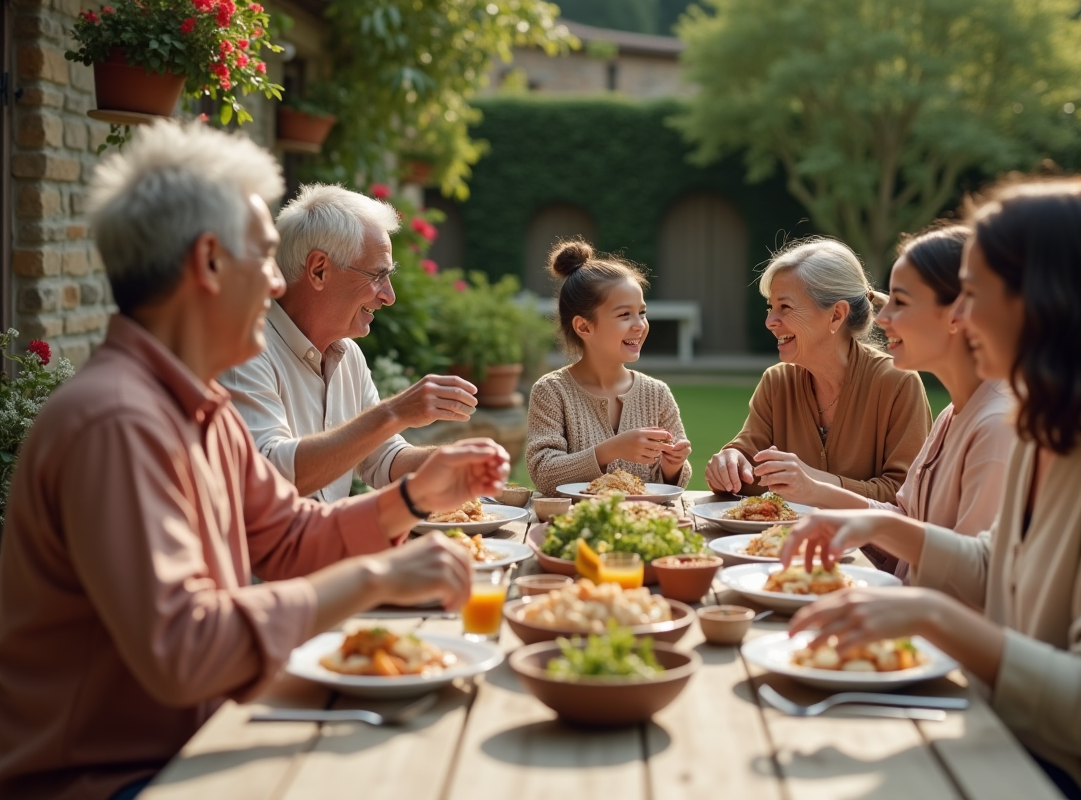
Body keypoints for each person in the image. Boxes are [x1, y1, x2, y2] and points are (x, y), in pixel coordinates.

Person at [0, 121, 510, 800]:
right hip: (116, 778)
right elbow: (184, 649)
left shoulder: (194, 405)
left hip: (201, 737)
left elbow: (290, 538)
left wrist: (412, 500)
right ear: (210, 263)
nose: (276, 283)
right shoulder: (119, 421)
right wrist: (377, 574)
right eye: (266, 257)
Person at [783, 178, 1081, 800]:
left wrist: (928, 611)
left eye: (974, 294)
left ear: (1042, 300)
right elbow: (997, 563)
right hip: (1008, 734)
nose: (963, 316)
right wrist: (879, 524)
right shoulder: (1050, 426)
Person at [763, 225, 1014, 577]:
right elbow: (905, 519)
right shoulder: (953, 415)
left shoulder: (996, 427)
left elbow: (973, 579)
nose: (880, 317)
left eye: (902, 301)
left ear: (958, 313)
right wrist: (820, 495)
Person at [219, 183, 480, 501]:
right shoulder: (243, 351)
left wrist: (454, 461)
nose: (389, 296)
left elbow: (383, 458)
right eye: (377, 276)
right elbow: (271, 477)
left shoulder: (347, 353)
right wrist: (395, 412)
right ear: (318, 270)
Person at [706, 237, 931, 504]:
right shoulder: (776, 382)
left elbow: (907, 495)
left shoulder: (897, 383)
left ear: (836, 315)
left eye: (785, 307)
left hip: (864, 546)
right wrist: (730, 464)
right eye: (770, 308)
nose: (769, 322)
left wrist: (813, 483)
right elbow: (750, 466)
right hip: (784, 544)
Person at [525, 240, 691, 496]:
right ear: (584, 327)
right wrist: (610, 450)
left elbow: (672, 486)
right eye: (625, 315)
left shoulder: (657, 394)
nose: (639, 325)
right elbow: (544, 475)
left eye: (642, 313)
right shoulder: (551, 391)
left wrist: (674, 466)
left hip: (644, 527)